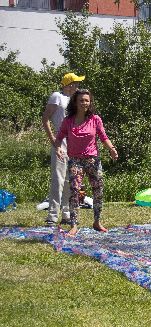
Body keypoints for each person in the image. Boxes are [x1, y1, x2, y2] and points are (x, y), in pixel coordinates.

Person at [53, 89, 118, 236]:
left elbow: (103, 137)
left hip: (92, 160)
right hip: (75, 161)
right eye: (81, 100)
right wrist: (57, 148)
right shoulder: (68, 121)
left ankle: (97, 221)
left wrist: (112, 149)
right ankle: (74, 225)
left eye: (87, 100)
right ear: (75, 102)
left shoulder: (95, 119)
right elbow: (59, 138)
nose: (84, 103)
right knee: (74, 191)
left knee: (98, 191)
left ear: (90, 102)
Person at [41, 72, 85, 226]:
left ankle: (66, 214)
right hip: (60, 141)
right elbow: (45, 119)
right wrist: (53, 140)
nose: (78, 85)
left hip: (73, 142)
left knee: (69, 179)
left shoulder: (73, 100)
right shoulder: (56, 96)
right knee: (58, 178)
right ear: (68, 84)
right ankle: (52, 215)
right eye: (76, 83)